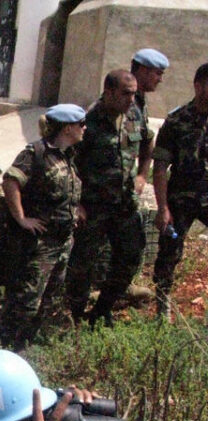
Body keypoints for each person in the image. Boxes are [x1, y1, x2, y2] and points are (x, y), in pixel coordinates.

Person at [0, 104, 86, 349]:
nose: (84, 129)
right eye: (81, 124)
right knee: (26, 301)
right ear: (67, 128)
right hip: (41, 244)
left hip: (63, 241)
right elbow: (11, 181)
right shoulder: (36, 153)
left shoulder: (68, 156)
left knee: (49, 300)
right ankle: (3, 347)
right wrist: (21, 218)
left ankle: (26, 347)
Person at [66, 69, 145, 327]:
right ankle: (76, 315)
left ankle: (102, 310)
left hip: (125, 205)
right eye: (125, 93)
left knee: (131, 255)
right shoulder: (87, 120)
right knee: (82, 265)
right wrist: (76, 204)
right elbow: (69, 163)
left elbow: (147, 141)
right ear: (108, 92)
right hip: (94, 207)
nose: (131, 99)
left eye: (134, 94)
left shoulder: (134, 114)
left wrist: (143, 174)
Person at [151, 62, 208, 318]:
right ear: (198, 86)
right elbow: (161, 167)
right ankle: (162, 306)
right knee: (170, 252)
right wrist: (162, 208)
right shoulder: (176, 121)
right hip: (180, 200)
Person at [128, 48, 169, 198]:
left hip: (124, 193)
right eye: (158, 73)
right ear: (143, 70)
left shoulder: (140, 103)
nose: (160, 80)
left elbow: (147, 141)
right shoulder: (115, 102)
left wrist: (142, 176)